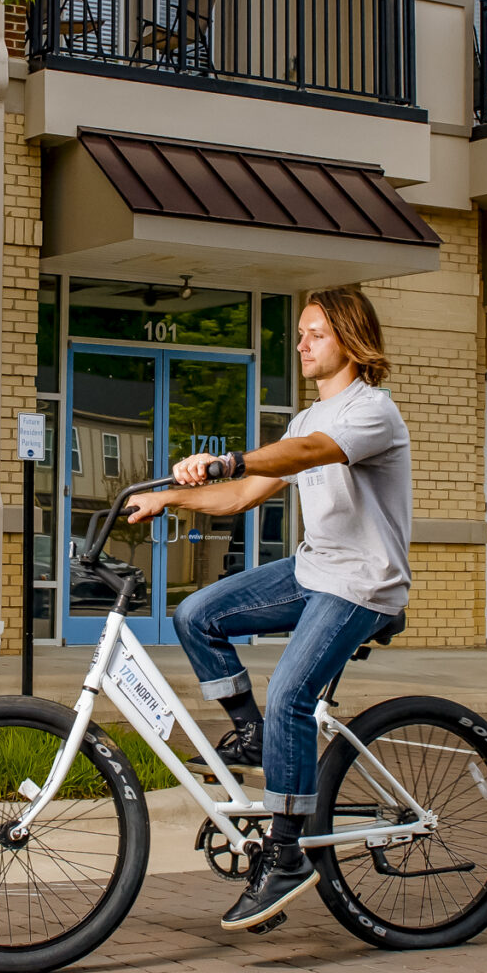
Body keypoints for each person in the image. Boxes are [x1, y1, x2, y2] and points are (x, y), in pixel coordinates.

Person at [125, 286, 411, 931]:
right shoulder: (306, 420)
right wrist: (167, 498)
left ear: (349, 340)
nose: (302, 344)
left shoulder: (371, 412)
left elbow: (307, 456)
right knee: (197, 614)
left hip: (363, 583)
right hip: (315, 571)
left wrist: (227, 456)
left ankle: (286, 855)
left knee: (291, 695)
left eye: (314, 333)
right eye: (301, 333)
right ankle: (252, 734)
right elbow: (241, 496)